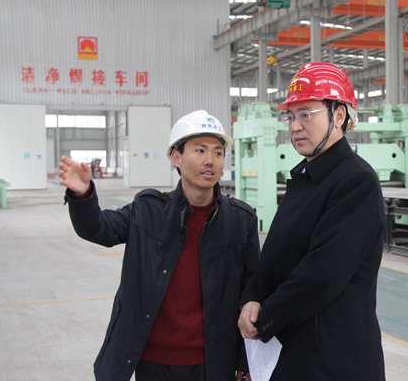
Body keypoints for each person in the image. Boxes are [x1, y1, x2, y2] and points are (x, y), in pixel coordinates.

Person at [59, 110, 260, 381]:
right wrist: (82, 195)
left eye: (218, 152)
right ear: (176, 157)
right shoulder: (148, 211)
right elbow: (98, 228)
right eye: (200, 150)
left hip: (213, 362)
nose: (210, 160)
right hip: (153, 361)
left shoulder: (240, 220)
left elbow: (252, 291)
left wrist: (246, 360)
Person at [238, 62, 386, 380]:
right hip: (297, 347)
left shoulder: (356, 181)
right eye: (291, 117)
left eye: (306, 114)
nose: (295, 126)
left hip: (334, 357)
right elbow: (277, 253)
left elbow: (322, 274)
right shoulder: (304, 177)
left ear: (339, 115)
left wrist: (265, 319)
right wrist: (252, 296)